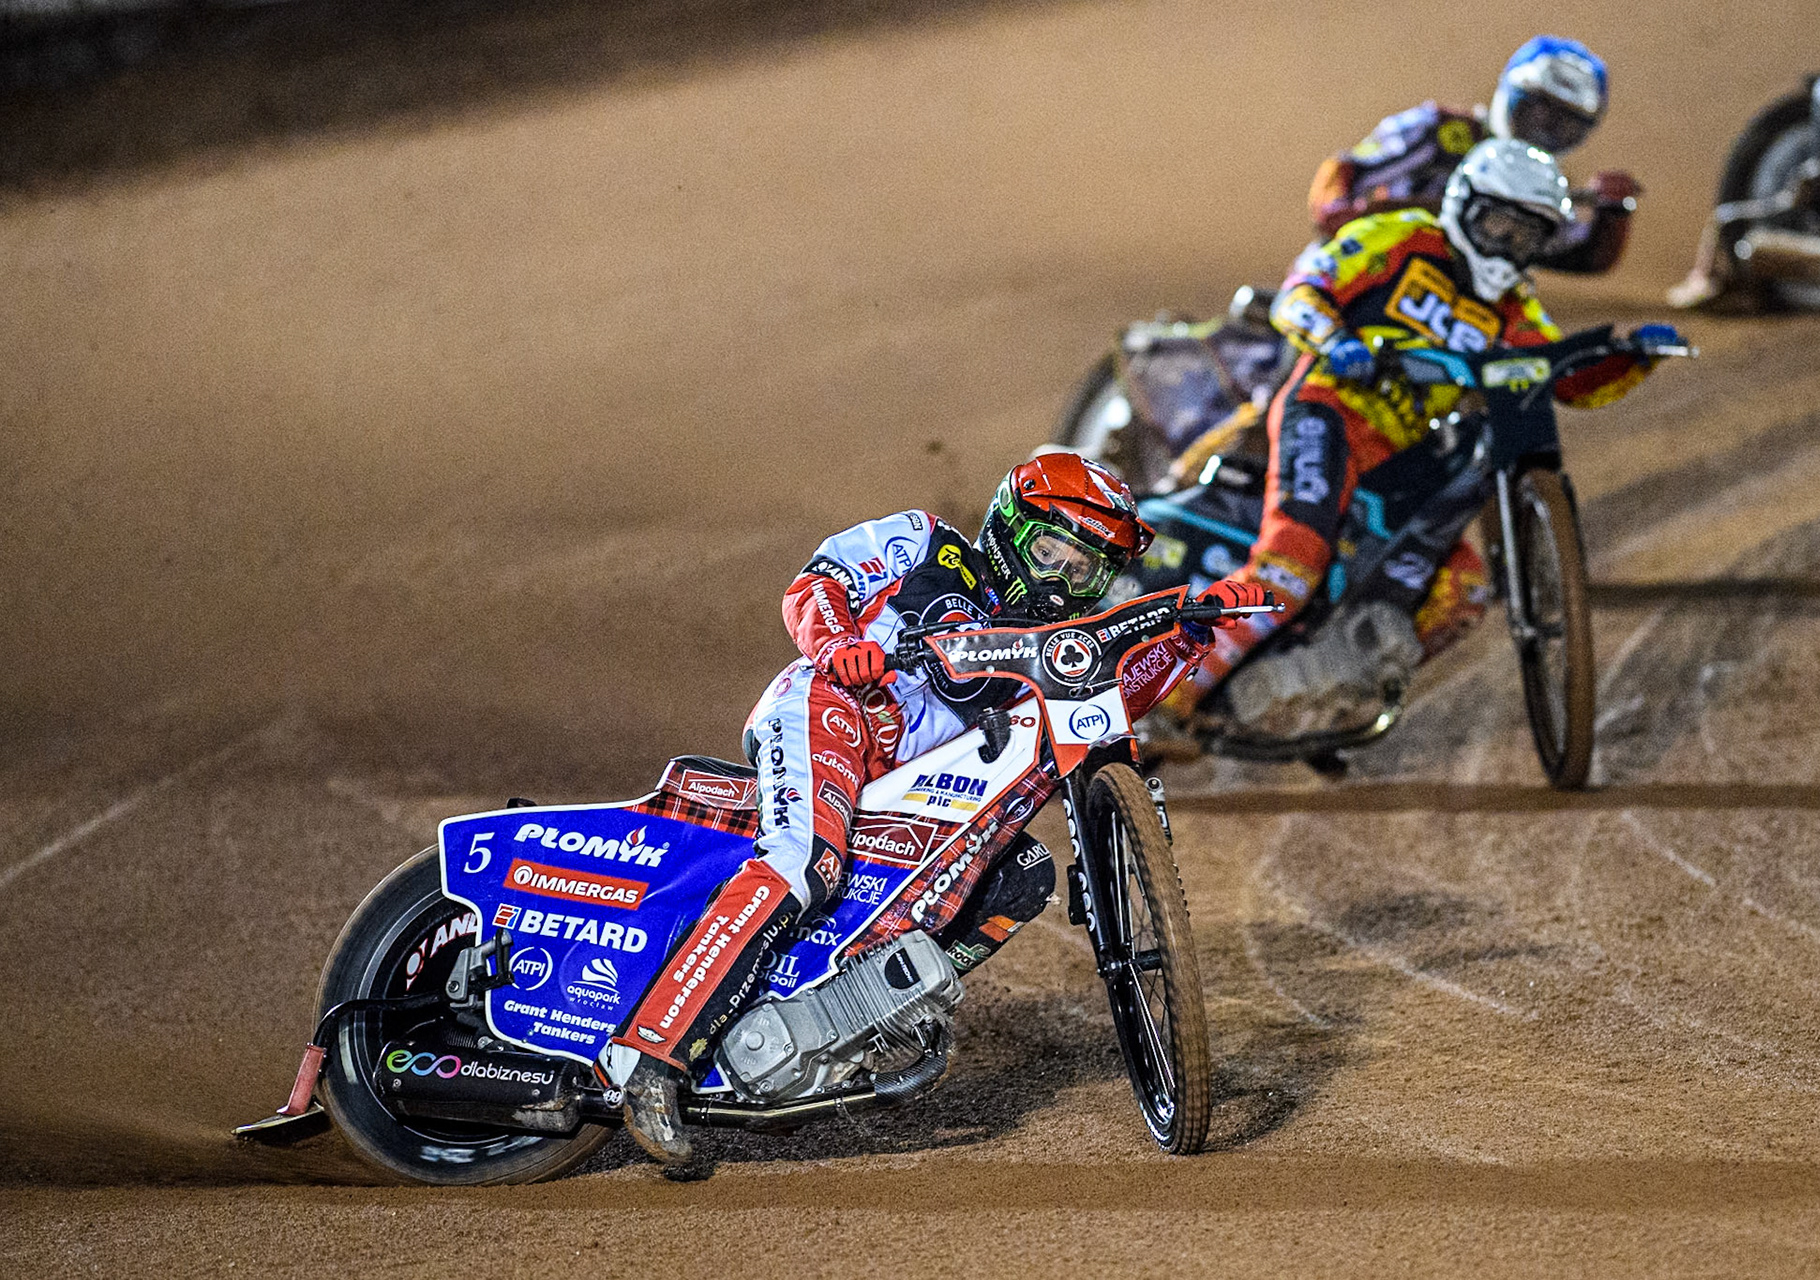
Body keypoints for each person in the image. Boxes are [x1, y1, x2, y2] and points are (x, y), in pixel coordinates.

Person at [596, 452, 1268, 1164]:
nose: (1057, 580)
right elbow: (818, 581)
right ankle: (652, 1061)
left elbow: (1114, 698)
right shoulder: (924, 541)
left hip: (916, 790)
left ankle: (835, 1029)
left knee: (1023, 875)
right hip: (835, 710)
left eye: (1082, 571)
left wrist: (1191, 632)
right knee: (804, 863)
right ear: (1009, 526)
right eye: (1048, 552)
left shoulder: (1054, 647)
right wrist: (840, 645)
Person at [1153, 139, 1678, 739]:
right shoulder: (1401, 236)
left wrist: (1633, 357)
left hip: (1403, 457)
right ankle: (1169, 698)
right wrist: (1333, 339)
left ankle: (1330, 695)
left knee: (1462, 593)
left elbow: (1560, 378)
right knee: (1291, 563)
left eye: (1525, 235)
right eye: (1497, 224)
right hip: (1327, 415)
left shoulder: (1512, 306)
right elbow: (1303, 289)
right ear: (1464, 204)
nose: (1507, 245)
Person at [1307, 35, 1639, 277]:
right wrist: (1338, 212)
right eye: (1539, 108)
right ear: (1511, 93)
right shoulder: (1439, 130)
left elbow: (1573, 254)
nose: (1548, 127)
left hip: (1460, 301)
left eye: (1567, 121)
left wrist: (1613, 215)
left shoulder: (1542, 181)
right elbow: (1345, 169)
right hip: (1372, 265)